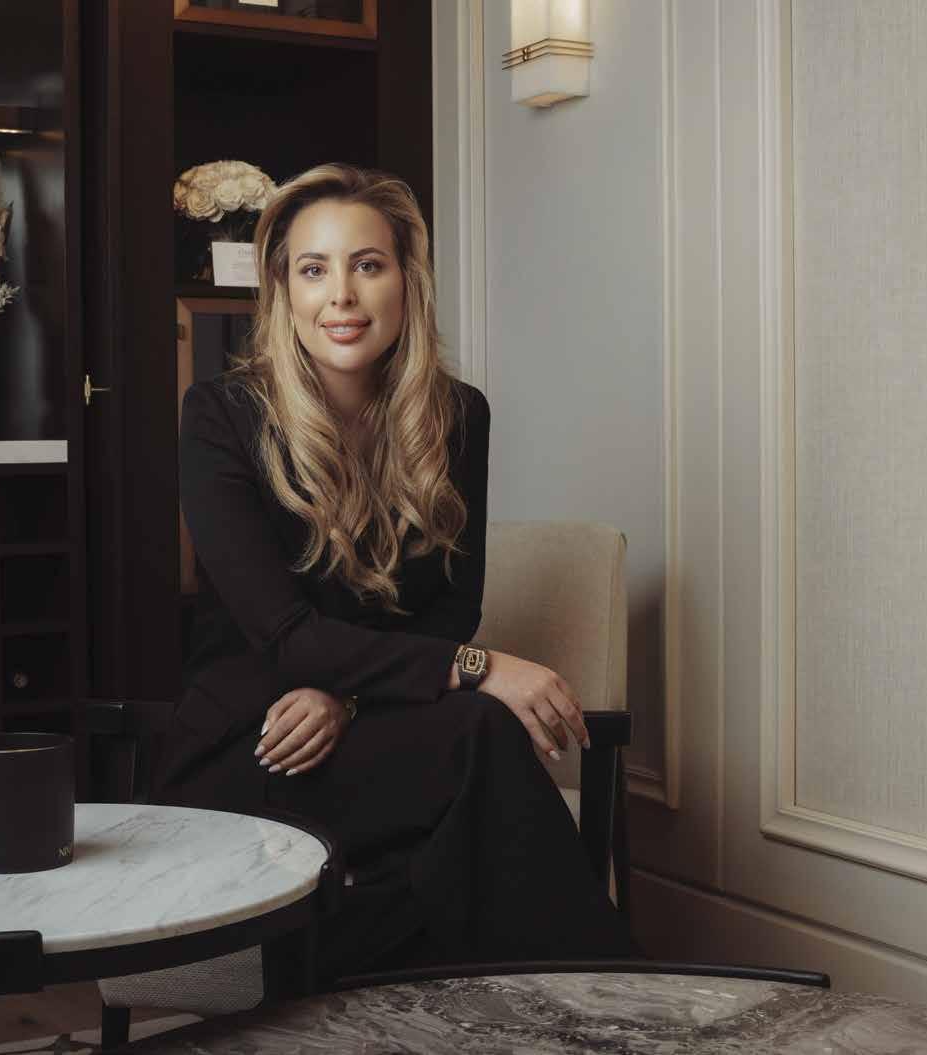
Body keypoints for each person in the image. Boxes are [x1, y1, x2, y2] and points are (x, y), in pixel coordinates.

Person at [157, 163, 636, 988]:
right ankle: (615, 996)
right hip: (253, 745)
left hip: (365, 729)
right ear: (283, 292)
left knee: (468, 785)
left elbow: (451, 605)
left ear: (406, 281)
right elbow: (286, 635)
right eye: (314, 269)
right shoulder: (221, 417)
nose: (341, 295)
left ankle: (563, 1004)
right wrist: (482, 667)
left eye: (368, 265)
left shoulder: (458, 416)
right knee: (481, 732)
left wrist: (345, 697)